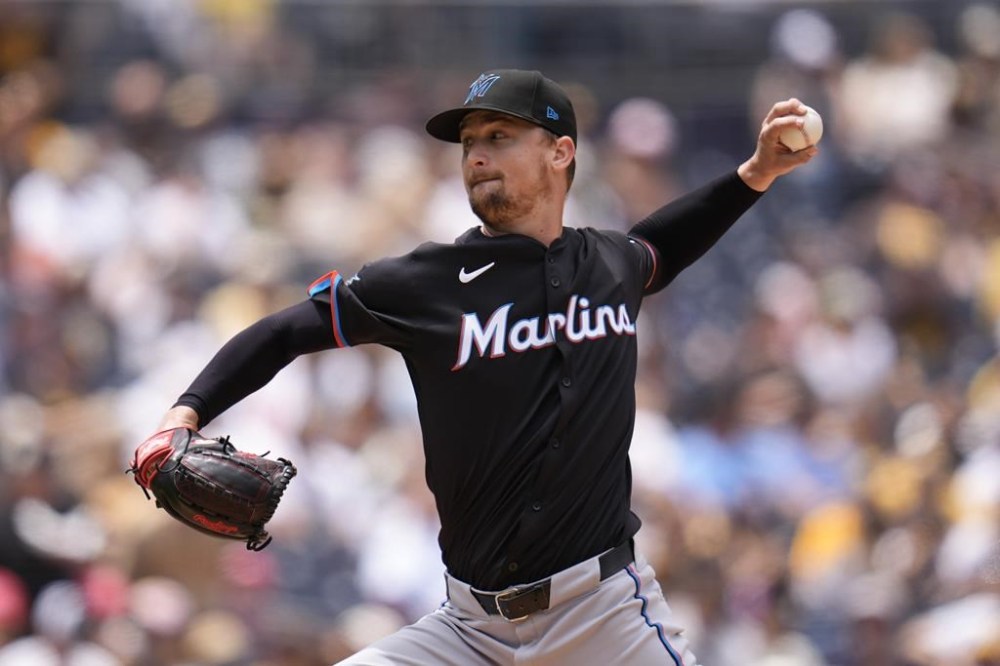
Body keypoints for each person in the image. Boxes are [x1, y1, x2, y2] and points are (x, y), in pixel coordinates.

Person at [153, 69, 817, 665]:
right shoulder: (423, 284)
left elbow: (665, 243)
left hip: (605, 620)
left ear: (561, 153)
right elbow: (282, 332)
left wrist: (755, 173)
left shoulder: (611, 265)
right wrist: (187, 411)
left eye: (500, 136)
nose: (476, 155)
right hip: (468, 632)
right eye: (470, 141)